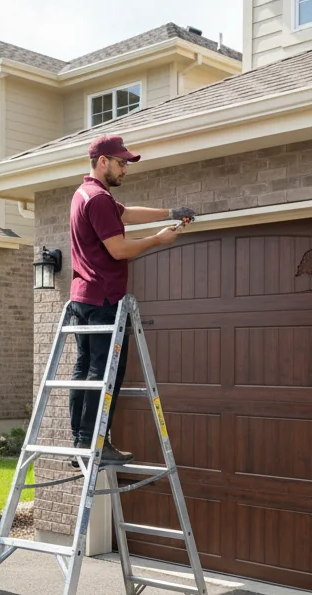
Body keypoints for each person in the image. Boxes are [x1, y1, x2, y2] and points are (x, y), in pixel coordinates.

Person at [67, 134, 196, 464]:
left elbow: (125, 214)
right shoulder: (97, 199)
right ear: (102, 162)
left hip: (84, 297)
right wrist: (157, 240)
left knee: (87, 368)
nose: (126, 169)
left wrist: (169, 212)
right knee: (106, 371)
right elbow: (119, 249)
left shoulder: (86, 195)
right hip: (104, 297)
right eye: (121, 163)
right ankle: (95, 442)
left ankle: (82, 440)